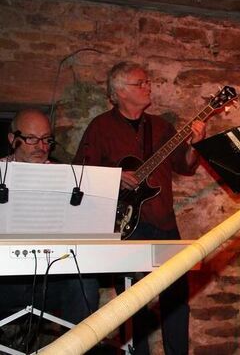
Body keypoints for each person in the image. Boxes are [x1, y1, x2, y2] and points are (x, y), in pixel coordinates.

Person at [74, 62, 206, 355]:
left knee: (176, 299)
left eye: (148, 81)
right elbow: (80, 173)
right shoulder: (101, 127)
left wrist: (196, 144)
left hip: (164, 223)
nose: (149, 86)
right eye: (141, 83)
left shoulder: (161, 127)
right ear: (120, 91)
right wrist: (116, 178)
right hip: (124, 226)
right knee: (132, 303)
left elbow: (184, 166)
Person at [0, 108, 99, 332]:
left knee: (85, 283)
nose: (41, 147)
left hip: (50, 281)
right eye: (31, 139)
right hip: (3, 279)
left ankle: (76, 346)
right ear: (12, 139)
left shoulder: (69, 178)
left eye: (46, 140)